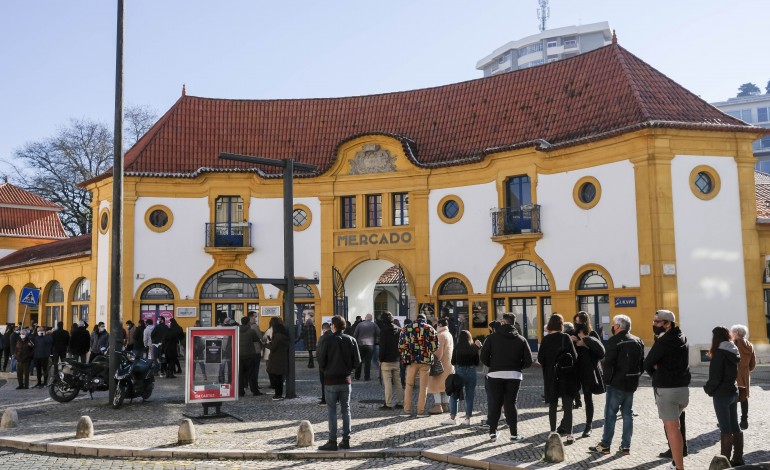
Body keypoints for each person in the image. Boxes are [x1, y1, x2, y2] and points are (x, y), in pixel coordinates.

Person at [589, 314, 644, 456]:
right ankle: (626, 446)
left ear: (618, 326)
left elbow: (608, 364)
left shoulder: (614, 341)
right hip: (631, 383)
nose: (613, 327)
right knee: (627, 414)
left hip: (616, 384)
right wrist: (635, 376)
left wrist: (608, 381)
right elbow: (641, 364)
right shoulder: (638, 341)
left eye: (614, 325)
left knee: (610, 414)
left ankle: (605, 445)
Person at [643, 309, 690, 470]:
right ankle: (676, 463)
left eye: (657, 322)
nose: (654, 324)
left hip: (667, 389)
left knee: (672, 429)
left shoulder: (663, 342)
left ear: (668, 324)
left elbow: (647, 363)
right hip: (683, 389)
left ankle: (679, 467)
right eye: (654, 321)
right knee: (676, 426)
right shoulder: (681, 337)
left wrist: (657, 372)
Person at [479, 313, 533, 441]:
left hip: (494, 374)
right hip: (514, 375)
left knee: (495, 403)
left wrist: (493, 365)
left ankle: (492, 433)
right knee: (510, 403)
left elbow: (483, 357)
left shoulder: (492, 338)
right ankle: (514, 434)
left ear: (503, 322)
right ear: (514, 323)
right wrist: (518, 366)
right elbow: (528, 361)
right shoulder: (521, 339)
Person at [317, 315, 361, 451]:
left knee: (332, 410)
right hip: (345, 379)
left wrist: (326, 370)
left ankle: (332, 441)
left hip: (330, 379)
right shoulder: (351, 340)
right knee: (346, 409)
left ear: (333, 326)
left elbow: (321, 359)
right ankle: (346, 439)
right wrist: (349, 369)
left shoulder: (326, 340)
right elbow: (358, 361)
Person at [704, 326, 743, 466]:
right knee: (735, 426)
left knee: (725, 428)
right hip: (733, 391)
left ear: (716, 338)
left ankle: (724, 462)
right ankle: (738, 457)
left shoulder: (719, 354)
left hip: (722, 394)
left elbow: (715, 378)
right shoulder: (733, 350)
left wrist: (707, 389)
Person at [538, 313, 579, 445]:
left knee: (553, 405)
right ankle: (569, 435)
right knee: (568, 407)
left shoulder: (546, 339)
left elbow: (540, 359)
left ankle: (552, 432)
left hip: (551, 376)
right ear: (561, 325)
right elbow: (575, 356)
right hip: (566, 376)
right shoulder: (565, 337)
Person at [570, 311, 605, 438]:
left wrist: (585, 344)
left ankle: (588, 425)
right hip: (575, 369)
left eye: (579, 321)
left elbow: (600, 353)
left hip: (588, 370)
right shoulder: (572, 333)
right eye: (576, 321)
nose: (577, 323)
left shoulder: (592, 334)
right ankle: (566, 424)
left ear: (585, 322)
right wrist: (572, 341)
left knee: (588, 398)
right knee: (570, 396)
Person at [398, 313, 438, 417]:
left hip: (411, 361)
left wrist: (407, 353)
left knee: (409, 385)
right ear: (425, 320)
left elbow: (401, 346)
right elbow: (435, 347)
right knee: (423, 387)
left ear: (416, 319)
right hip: (425, 361)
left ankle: (407, 411)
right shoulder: (430, 329)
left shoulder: (406, 328)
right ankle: (420, 412)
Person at [442, 330, 481, 426]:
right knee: (470, 396)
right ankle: (467, 418)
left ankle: (452, 418)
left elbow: (453, 362)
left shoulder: (457, 348)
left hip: (460, 372)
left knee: (454, 395)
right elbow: (477, 363)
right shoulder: (473, 348)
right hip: (472, 372)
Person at [427, 318, 455, 414]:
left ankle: (437, 405)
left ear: (439, 325)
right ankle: (445, 405)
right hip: (449, 364)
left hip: (440, 365)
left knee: (435, 385)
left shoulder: (440, 335)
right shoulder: (449, 334)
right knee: (446, 385)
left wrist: (432, 357)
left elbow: (438, 353)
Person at [730, 324, 756, 430]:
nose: (731, 334)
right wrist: (745, 369)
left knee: (732, 398)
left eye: (732, 332)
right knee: (744, 398)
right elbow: (753, 365)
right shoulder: (750, 345)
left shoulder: (733, 344)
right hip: (745, 375)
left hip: (734, 375)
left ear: (736, 333)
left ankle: (732, 422)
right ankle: (744, 421)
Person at [378, 313, 404, 410]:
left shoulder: (383, 331)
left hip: (386, 360)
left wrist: (380, 358)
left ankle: (388, 403)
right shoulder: (399, 330)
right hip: (396, 359)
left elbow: (382, 346)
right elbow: (401, 345)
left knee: (387, 382)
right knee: (398, 382)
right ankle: (400, 402)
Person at [265, 318, 290, 400]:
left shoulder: (277, 336)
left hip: (275, 359)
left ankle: (277, 394)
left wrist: (266, 344)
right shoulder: (284, 336)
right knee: (279, 377)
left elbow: (273, 347)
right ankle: (279, 394)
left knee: (274, 376)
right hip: (282, 358)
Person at [353, 313, 379, 381]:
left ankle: (357, 376)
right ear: (371, 318)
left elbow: (355, 334)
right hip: (370, 345)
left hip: (360, 344)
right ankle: (367, 377)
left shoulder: (360, 324)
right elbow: (379, 333)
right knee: (368, 362)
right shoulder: (374, 325)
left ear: (365, 317)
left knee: (359, 361)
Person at [238, 316, 260, 396]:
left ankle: (240, 391)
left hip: (239, 355)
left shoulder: (237, 331)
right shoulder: (251, 331)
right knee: (251, 374)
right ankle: (254, 391)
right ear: (248, 322)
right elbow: (256, 339)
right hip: (250, 355)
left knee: (240, 375)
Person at [246, 311, 264, 390]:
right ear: (251, 317)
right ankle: (254, 385)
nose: (256, 318)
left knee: (249, 368)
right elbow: (260, 336)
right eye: (255, 316)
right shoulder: (254, 326)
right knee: (255, 368)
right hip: (256, 350)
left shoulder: (245, 325)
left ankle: (247, 383)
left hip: (247, 350)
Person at [317, 322, 332, 405]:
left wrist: (321, 365)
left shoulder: (322, 338)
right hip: (333, 364)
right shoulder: (335, 337)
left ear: (323, 329)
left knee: (324, 383)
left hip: (324, 365)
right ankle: (336, 399)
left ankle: (324, 399)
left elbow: (319, 353)